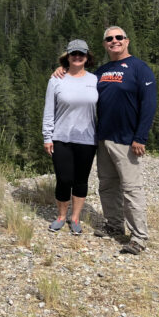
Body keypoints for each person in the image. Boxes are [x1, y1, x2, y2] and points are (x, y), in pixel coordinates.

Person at [53, 26, 157, 255]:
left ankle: (139, 237)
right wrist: (62, 70)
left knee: (131, 189)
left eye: (119, 37)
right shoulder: (101, 71)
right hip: (101, 138)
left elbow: (149, 104)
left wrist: (141, 137)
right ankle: (114, 225)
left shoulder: (140, 69)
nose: (114, 41)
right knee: (107, 186)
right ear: (104, 44)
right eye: (109, 39)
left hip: (127, 140)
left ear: (127, 41)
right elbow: (79, 81)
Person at [42, 39, 98, 235]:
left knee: (81, 181)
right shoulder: (56, 80)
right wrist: (47, 137)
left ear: (87, 57)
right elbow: (49, 110)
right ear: (67, 56)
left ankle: (75, 218)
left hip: (87, 139)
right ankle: (60, 216)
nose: (77, 57)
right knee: (64, 179)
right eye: (73, 53)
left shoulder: (94, 80)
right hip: (61, 137)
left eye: (81, 54)